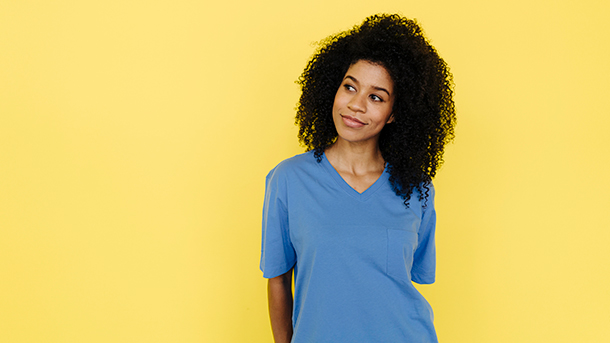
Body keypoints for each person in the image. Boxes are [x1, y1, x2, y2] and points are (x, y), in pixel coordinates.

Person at [260, 14, 456, 343]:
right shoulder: (289, 180)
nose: (355, 105)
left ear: (395, 113)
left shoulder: (417, 189)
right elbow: (277, 279)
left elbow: (404, 282)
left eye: (376, 97)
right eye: (350, 87)